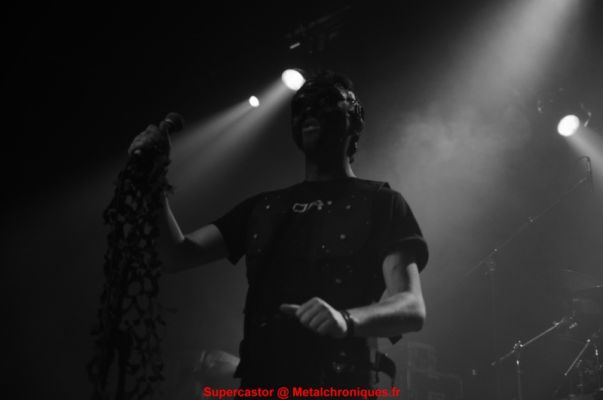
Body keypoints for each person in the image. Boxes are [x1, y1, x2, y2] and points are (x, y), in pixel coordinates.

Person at [129, 70, 428, 393]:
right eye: (302, 106)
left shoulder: (382, 202)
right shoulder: (264, 206)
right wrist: (151, 179)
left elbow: (411, 306)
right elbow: (174, 256)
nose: (309, 111)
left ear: (354, 121)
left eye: (324, 103)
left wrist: (346, 319)